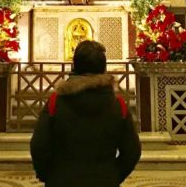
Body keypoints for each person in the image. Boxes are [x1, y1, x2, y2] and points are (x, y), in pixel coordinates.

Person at [31, 39, 141, 187]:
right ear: (103, 68)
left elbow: (39, 145)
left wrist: (50, 175)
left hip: (62, 179)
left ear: (74, 66)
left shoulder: (55, 102)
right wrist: (113, 175)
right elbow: (132, 150)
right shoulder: (117, 105)